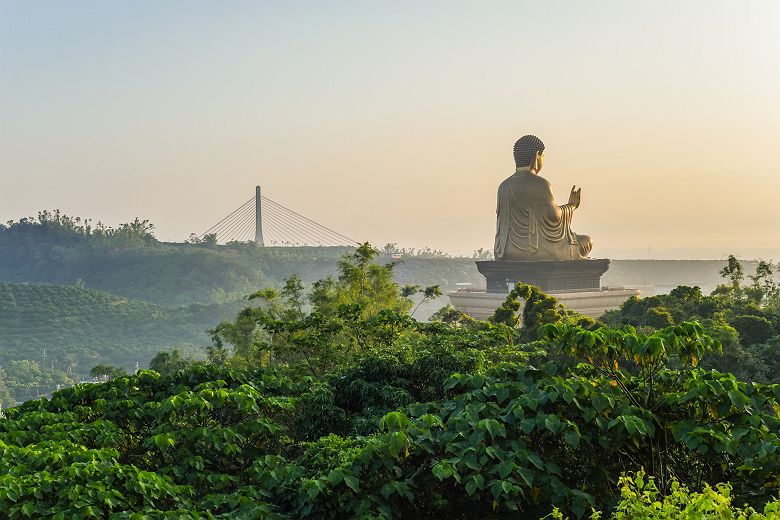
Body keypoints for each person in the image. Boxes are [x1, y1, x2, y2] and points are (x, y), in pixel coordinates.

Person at [494, 135, 592, 261]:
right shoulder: (540, 184)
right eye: (542, 155)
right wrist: (572, 206)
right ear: (537, 155)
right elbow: (553, 216)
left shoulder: (504, 186)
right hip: (537, 251)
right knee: (586, 241)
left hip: (506, 252)